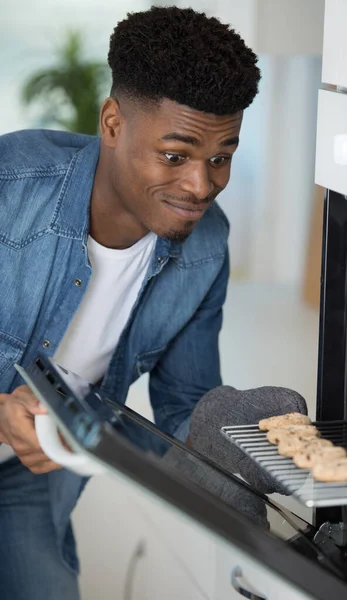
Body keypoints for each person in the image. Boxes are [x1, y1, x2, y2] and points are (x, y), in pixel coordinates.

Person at [0, 5, 261, 599]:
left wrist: (238, 435)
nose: (201, 186)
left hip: (33, 478)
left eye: (221, 157)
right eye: (176, 155)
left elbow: (183, 408)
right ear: (113, 124)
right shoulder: (7, 186)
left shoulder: (206, 246)